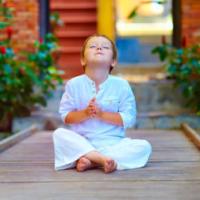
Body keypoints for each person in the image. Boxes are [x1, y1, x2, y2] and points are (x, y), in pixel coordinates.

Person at [53, 34, 152, 173]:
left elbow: (129, 119)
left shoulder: (121, 85)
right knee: (59, 134)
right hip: (82, 141)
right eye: (93, 46)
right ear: (82, 60)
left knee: (144, 146)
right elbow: (66, 116)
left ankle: (91, 160)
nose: (99, 48)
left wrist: (101, 114)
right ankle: (102, 160)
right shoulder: (74, 84)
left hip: (113, 144)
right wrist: (86, 113)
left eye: (105, 47)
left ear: (113, 61)